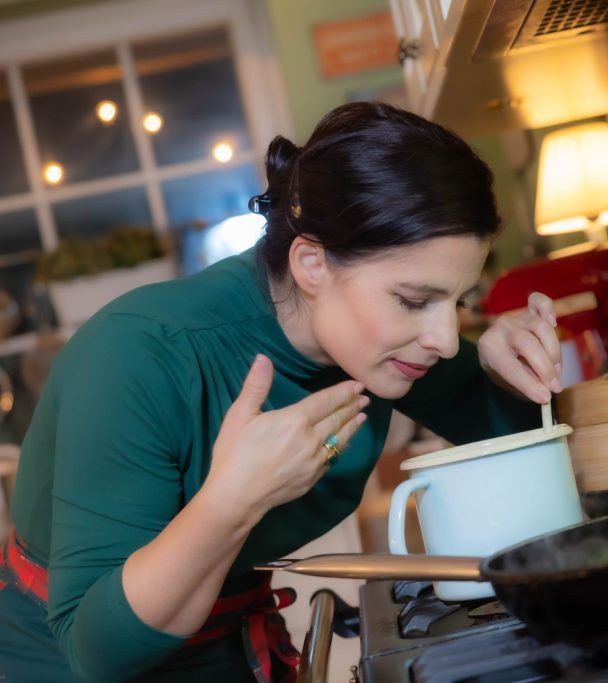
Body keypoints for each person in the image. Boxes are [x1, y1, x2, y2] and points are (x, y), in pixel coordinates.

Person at [0, 102, 563, 682]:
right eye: (416, 301)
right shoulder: (140, 354)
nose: (446, 340)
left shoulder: (378, 342)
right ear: (312, 263)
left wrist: (503, 373)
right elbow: (96, 651)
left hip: (225, 646)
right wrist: (233, 500)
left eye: (461, 300)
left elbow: (541, 455)